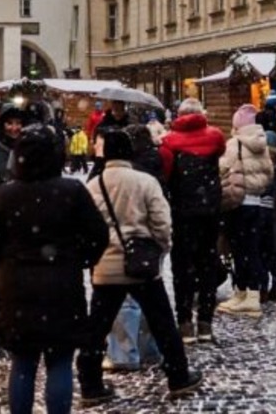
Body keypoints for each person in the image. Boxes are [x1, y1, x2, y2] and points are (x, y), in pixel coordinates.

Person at [0, 124, 109, 414]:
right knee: (59, 360)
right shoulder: (71, 191)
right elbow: (98, 235)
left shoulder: (5, 194)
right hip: (62, 285)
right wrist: (79, 258)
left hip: (15, 287)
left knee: (22, 362)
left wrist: (7, 261)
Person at [78, 129, 204, 405]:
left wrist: (96, 254)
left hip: (106, 268)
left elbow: (85, 228)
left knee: (96, 327)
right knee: (163, 322)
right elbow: (162, 221)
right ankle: (178, 375)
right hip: (141, 265)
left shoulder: (93, 185)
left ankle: (89, 382)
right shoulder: (145, 181)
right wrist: (160, 247)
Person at [160, 97, 227, 343]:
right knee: (208, 262)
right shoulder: (215, 136)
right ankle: (206, 322)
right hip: (209, 209)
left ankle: (185, 321)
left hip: (182, 212)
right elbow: (221, 152)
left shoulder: (169, 142)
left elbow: (166, 174)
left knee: (182, 266)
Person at [103, 123, 167, 372]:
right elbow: (161, 217)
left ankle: (123, 354)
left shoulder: (100, 181)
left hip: (114, 250)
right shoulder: (153, 172)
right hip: (147, 246)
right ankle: (150, 349)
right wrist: (162, 243)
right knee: (151, 301)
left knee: (124, 303)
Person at [217, 104, 274, 319]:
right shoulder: (263, 143)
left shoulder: (235, 144)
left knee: (240, 250)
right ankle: (252, 293)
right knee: (252, 248)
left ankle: (245, 295)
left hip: (238, 203)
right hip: (256, 202)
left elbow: (222, 168)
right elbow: (269, 173)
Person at [0, 104, 28, 350]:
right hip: (1, 216)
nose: (14, 128)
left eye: (18, 123)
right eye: (10, 123)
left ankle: (21, 320)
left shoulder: (29, 146)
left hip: (26, 217)